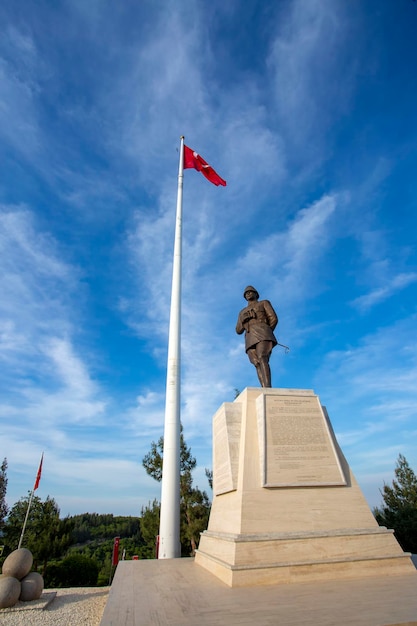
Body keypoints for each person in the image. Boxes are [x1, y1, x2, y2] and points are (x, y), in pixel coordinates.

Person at [236, 286, 278, 388]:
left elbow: (273, 318)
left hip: (263, 333)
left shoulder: (263, 303)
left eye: (250, 292)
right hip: (250, 337)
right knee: (256, 363)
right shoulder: (242, 312)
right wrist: (243, 320)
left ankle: (268, 387)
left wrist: (267, 330)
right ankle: (263, 387)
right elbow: (238, 330)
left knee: (262, 357)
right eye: (246, 293)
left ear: (256, 294)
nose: (248, 294)